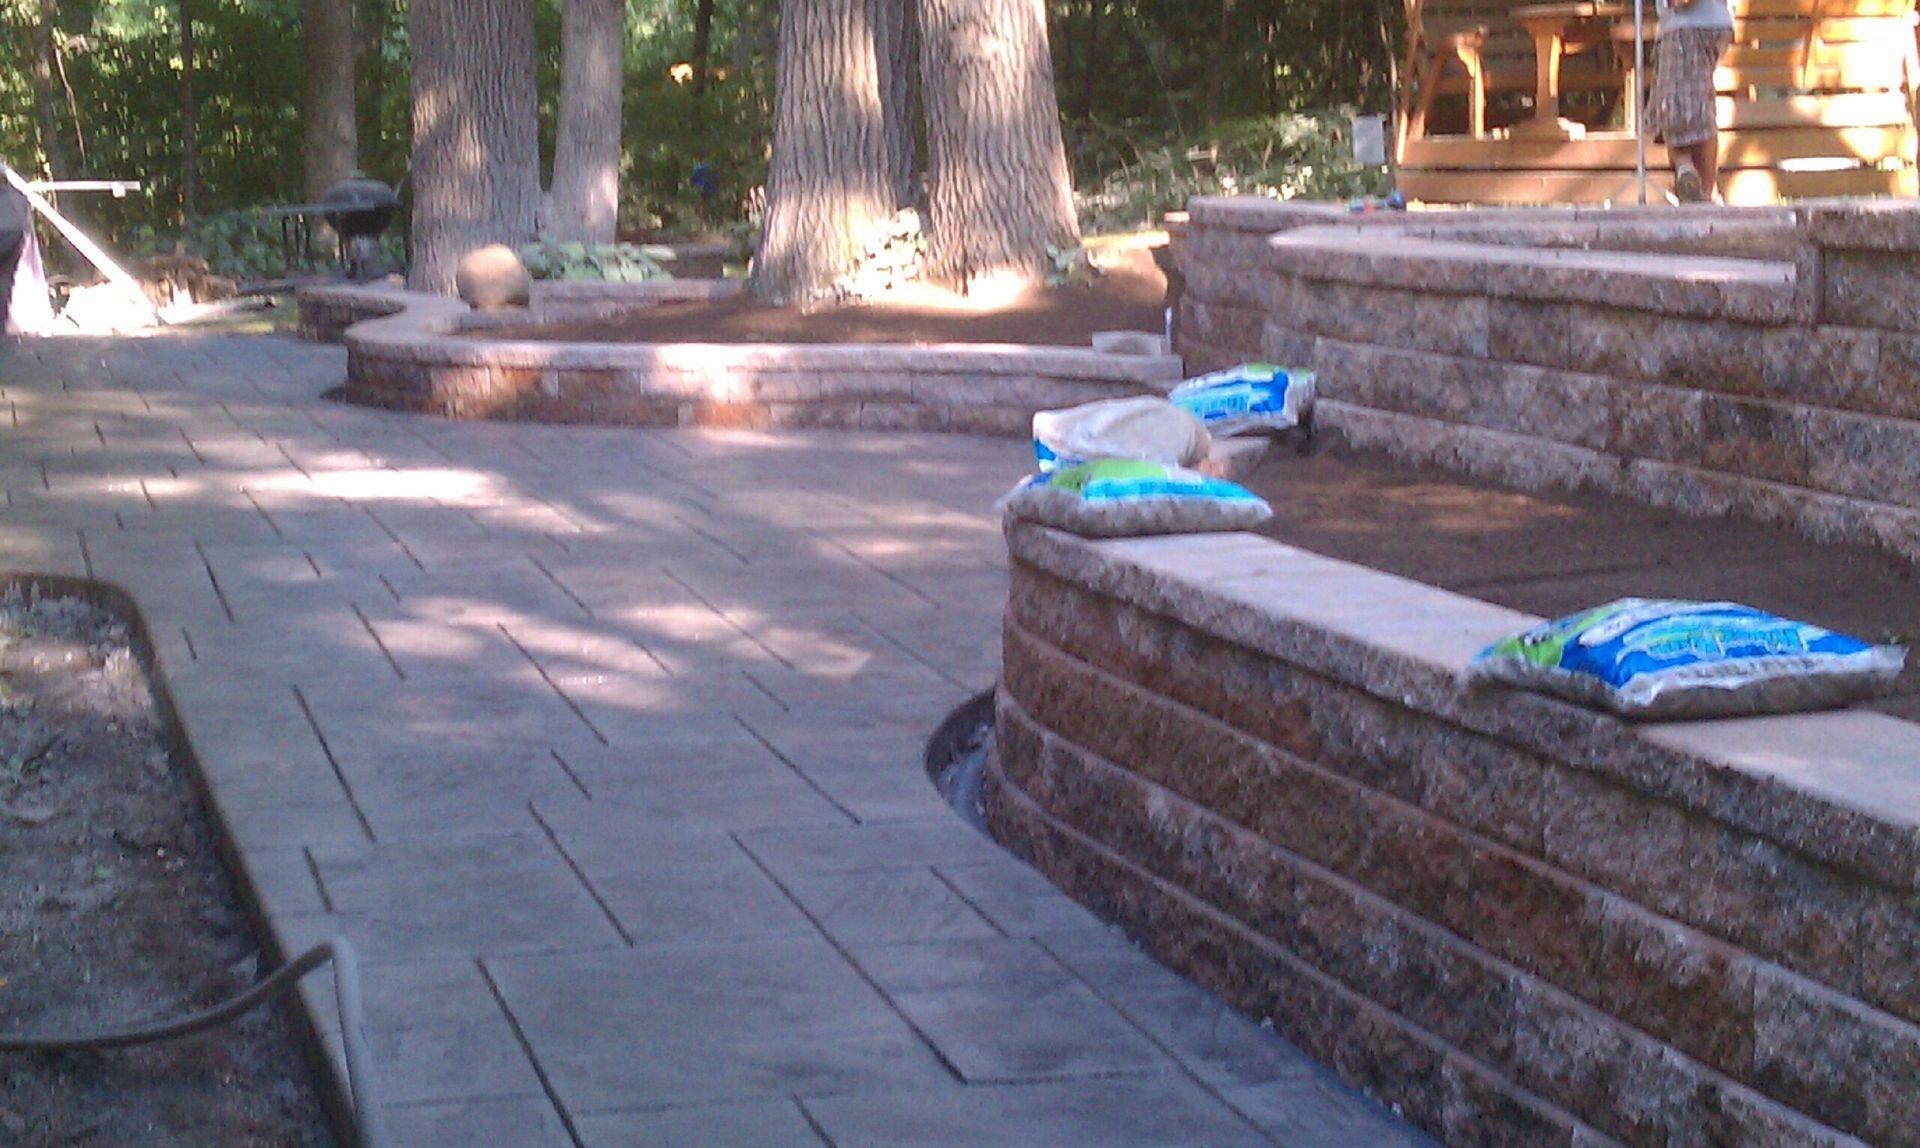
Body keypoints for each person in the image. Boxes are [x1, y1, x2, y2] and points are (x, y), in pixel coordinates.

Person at [1649, 0, 1736, 203]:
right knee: (1694, 102)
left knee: (1675, 105)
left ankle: (1694, 179)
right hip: (1703, 22)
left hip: (1689, 24)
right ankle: (1695, 182)